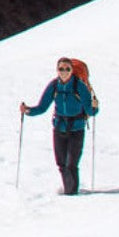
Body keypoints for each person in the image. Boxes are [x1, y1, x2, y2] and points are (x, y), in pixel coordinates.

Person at [20, 57, 98, 195]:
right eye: (61, 69)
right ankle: (69, 191)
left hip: (77, 129)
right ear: (57, 70)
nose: (64, 72)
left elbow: (90, 111)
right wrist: (28, 111)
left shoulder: (79, 86)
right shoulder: (54, 85)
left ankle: (71, 194)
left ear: (72, 70)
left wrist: (94, 107)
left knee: (71, 165)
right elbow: (42, 107)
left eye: (67, 69)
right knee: (61, 164)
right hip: (59, 128)